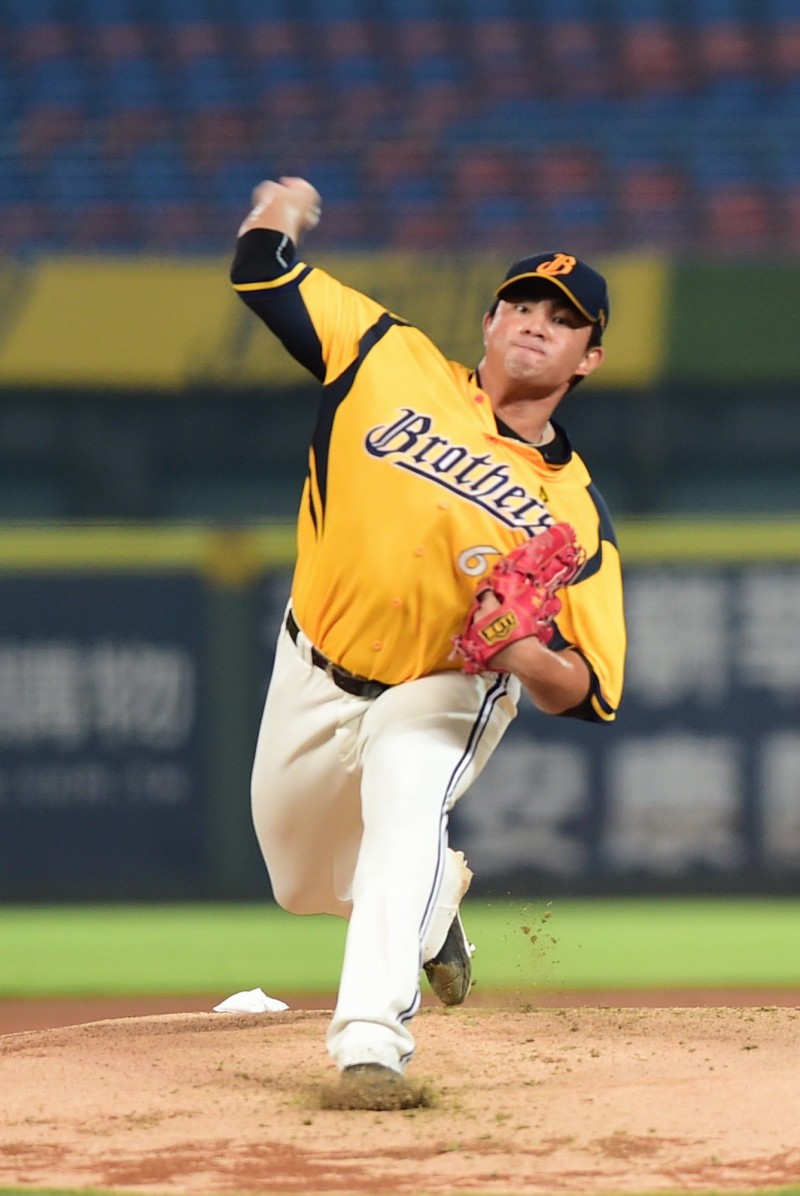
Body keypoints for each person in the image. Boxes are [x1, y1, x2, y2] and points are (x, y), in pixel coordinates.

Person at [230, 176, 626, 1109]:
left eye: (562, 320)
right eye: (521, 304)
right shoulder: (386, 353)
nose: (535, 323)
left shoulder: (575, 511)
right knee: (300, 883)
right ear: (488, 321)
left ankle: (371, 1045)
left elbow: (591, 687)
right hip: (312, 660)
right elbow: (263, 275)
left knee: (408, 800)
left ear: (589, 358)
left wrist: (523, 655)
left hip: (446, 685)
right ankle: (433, 900)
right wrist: (281, 211)